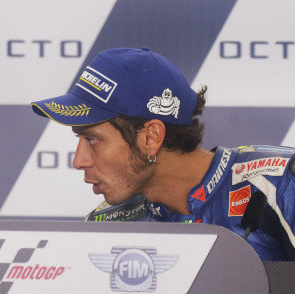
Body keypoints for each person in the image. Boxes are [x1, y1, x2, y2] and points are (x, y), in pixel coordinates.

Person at [31, 47, 295, 261]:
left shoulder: (279, 183)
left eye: (92, 139)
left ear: (151, 137)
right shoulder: (107, 225)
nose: (79, 161)